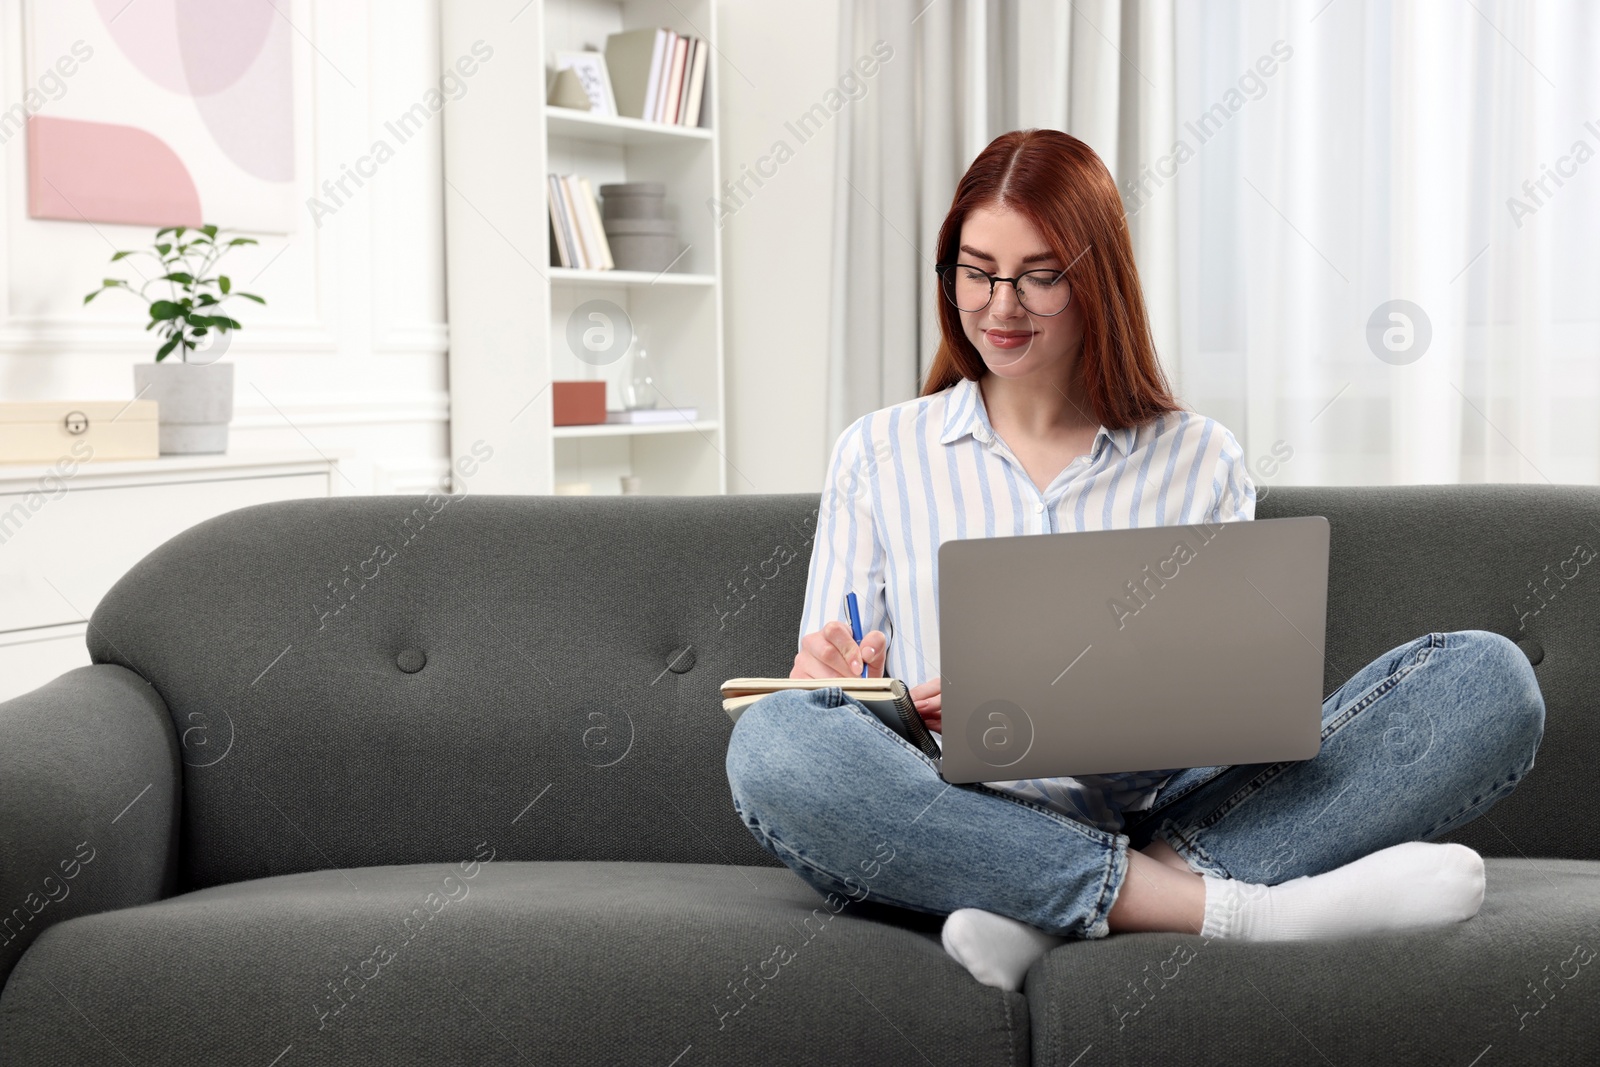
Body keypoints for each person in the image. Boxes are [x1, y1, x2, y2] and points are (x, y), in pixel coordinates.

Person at [723, 128, 1545, 992]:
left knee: (1487, 682)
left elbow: (1228, 713)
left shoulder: (1202, 460)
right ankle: (1227, 907)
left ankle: (1046, 909)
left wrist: (1084, 703)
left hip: (1149, 808)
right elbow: (835, 692)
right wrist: (832, 678)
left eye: (1039, 275)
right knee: (777, 746)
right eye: (975, 271)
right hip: (941, 812)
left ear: (1097, 277)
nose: (1000, 305)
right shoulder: (877, 452)